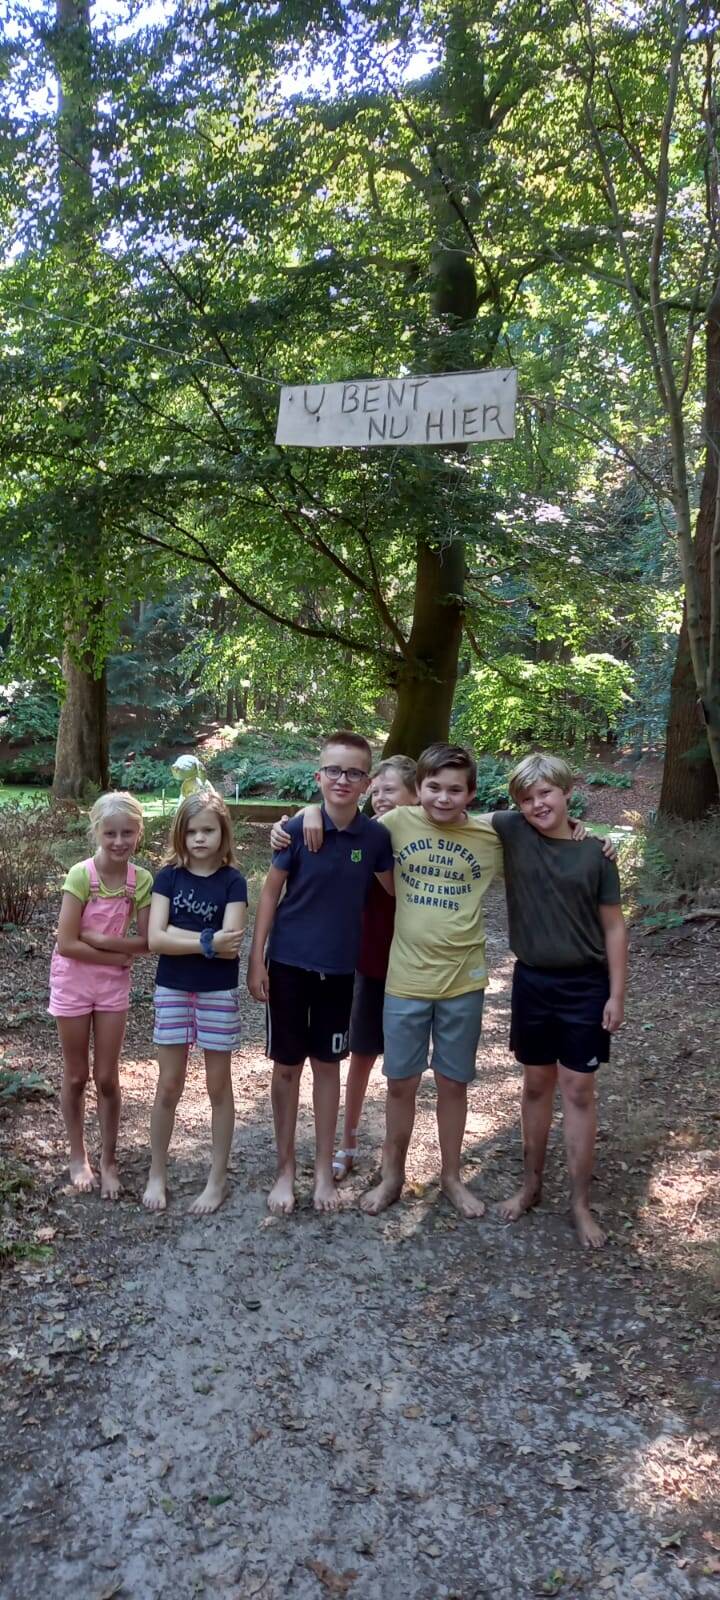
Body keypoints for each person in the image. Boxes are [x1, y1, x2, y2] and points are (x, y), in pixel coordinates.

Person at [247, 731, 395, 1216]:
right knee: (287, 1067)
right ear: (318, 776)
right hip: (289, 965)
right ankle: (285, 1170)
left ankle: (324, 1170)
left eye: (354, 772)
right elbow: (270, 893)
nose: (342, 779)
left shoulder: (376, 838)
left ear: (367, 782)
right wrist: (256, 958)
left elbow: (397, 888)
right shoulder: (296, 829)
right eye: (334, 770)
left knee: (328, 1066)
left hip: (340, 971)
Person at [359, 743, 504, 1219]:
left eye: (455, 789)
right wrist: (298, 819)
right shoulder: (395, 823)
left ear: (471, 793)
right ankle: (392, 1176)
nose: (443, 798)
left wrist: (589, 836)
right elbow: (342, 825)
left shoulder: (491, 835)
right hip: (405, 979)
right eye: (434, 787)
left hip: (464, 980)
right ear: (418, 787)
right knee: (400, 1084)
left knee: (452, 1084)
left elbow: (549, 828)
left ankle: (451, 1178)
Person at [494, 753, 627, 1249]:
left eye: (546, 793)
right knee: (535, 1085)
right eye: (526, 798)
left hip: (585, 985)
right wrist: (312, 812)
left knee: (578, 1089)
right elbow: (443, 811)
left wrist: (616, 993)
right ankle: (530, 1185)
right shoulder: (512, 830)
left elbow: (614, 927)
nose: (537, 804)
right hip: (532, 981)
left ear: (567, 791)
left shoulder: (596, 852)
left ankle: (579, 1202)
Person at [271, 754, 418, 1180]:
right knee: (357, 1054)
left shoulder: (411, 836)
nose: (381, 798)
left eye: (391, 790)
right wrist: (306, 812)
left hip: (414, 963)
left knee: (401, 1068)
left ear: (415, 796)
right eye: (379, 790)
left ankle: (393, 1158)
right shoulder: (360, 835)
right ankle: (346, 1144)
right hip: (362, 961)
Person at [143, 790, 247, 1215]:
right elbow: (155, 939)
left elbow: (231, 947)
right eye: (191, 831)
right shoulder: (168, 878)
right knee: (169, 1084)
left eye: (208, 830)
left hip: (217, 992)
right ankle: (157, 1173)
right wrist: (207, 940)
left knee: (218, 1086)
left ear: (223, 833)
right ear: (180, 835)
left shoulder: (233, 882)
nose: (200, 838)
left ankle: (217, 1179)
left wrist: (182, 938)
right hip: (173, 988)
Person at [49, 792, 152, 1199]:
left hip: (111, 987)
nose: (119, 841)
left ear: (139, 833)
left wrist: (107, 943)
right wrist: (112, 953)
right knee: (76, 1075)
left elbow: (146, 941)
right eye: (110, 833)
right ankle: (79, 1156)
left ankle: (109, 1160)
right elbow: (67, 943)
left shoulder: (139, 881)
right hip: (73, 981)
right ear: (97, 832)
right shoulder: (81, 876)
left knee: (107, 1076)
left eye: (127, 833)